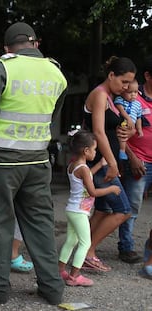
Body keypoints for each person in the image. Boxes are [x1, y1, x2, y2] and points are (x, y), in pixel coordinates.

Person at [0, 22, 68, 305]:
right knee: (40, 224)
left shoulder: (2, 68)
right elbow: (51, 116)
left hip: (0, 161)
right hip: (37, 160)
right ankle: (52, 288)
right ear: (35, 43)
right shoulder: (56, 72)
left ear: (7, 47)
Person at [83, 56, 136, 271]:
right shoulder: (100, 95)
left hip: (106, 161)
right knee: (123, 210)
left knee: (103, 211)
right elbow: (97, 131)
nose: (126, 87)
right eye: (123, 81)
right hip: (100, 163)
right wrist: (113, 163)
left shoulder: (111, 98)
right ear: (111, 75)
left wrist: (127, 129)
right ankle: (88, 252)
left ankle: (82, 252)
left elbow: (111, 129)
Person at [58, 130, 121, 287]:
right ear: (86, 151)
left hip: (72, 209)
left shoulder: (74, 165)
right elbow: (92, 191)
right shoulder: (83, 169)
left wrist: (99, 165)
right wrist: (111, 189)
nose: (95, 152)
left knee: (71, 241)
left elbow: (87, 178)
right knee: (85, 243)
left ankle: (60, 271)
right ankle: (74, 276)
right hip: (79, 212)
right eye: (94, 149)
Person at [119, 56, 152, 264]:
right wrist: (131, 157)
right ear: (147, 76)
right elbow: (120, 131)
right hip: (139, 160)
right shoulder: (132, 97)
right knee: (133, 206)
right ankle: (127, 247)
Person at [114, 79, 143, 160]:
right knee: (122, 135)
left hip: (132, 126)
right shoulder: (120, 99)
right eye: (130, 92)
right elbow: (120, 110)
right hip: (123, 122)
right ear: (123, 91)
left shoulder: (138, 104)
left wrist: (139, 129)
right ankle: (122, 151)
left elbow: (139, 117)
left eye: (135, 92)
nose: (133, 95)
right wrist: (128, 118)